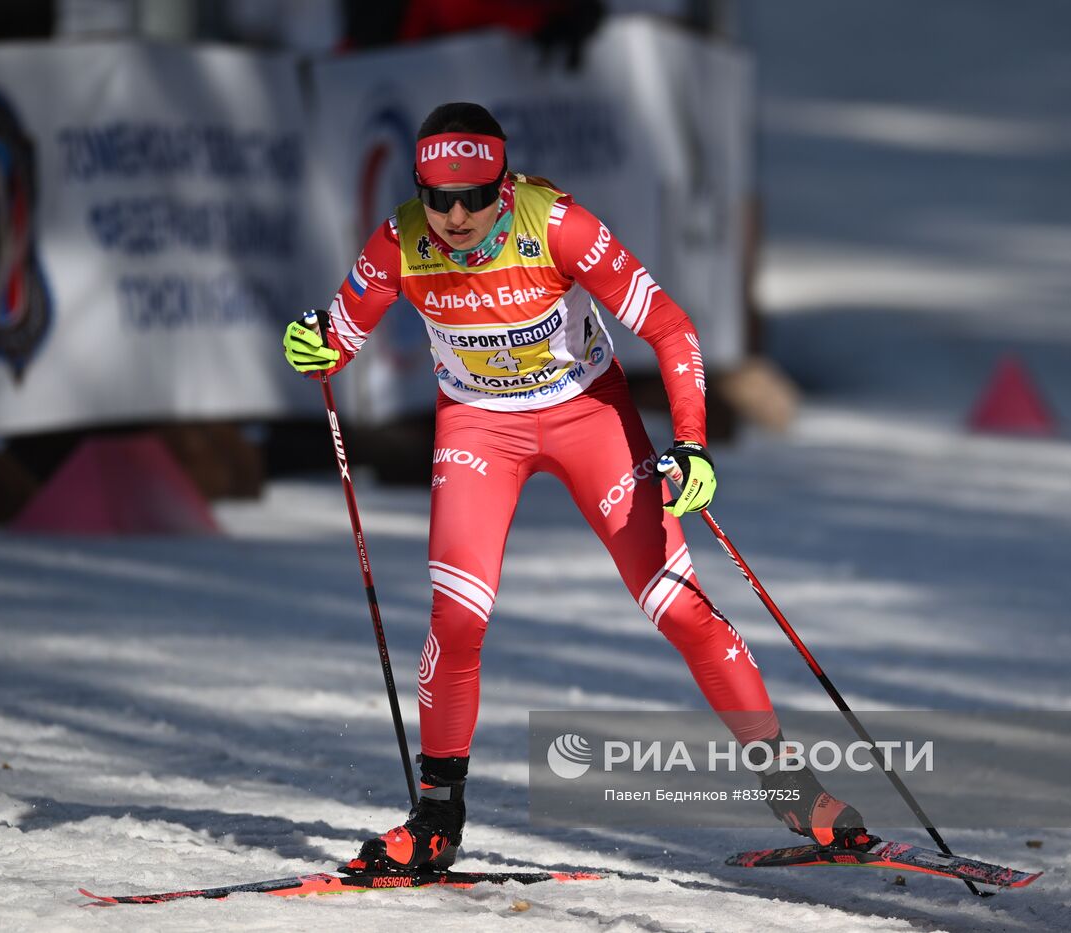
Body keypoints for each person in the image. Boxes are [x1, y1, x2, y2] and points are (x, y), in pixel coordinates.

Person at [283, 102, 871, 872]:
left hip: (588, 415)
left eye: (475, 196)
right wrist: (314, 347)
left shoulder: (559, 225)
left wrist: (690, 443)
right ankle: (435, 818)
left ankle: (796, 790)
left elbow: (671, 326)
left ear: (504, 183)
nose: (456, 216)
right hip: (478, 429)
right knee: (457, 621)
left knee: (680, 608)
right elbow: (337, 338)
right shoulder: (399, 241)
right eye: (439, 197)